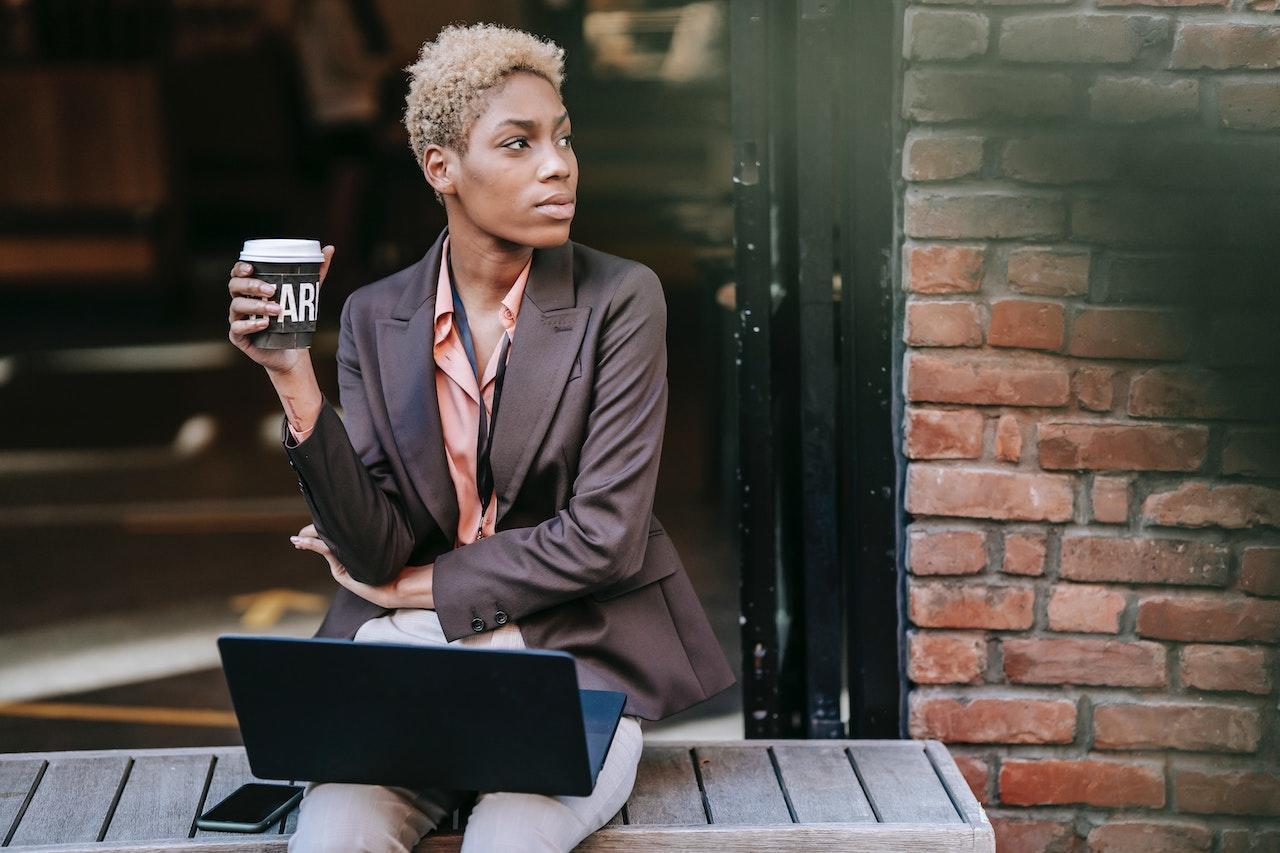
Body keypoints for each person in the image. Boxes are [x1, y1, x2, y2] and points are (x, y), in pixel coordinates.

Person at [225, 21, 735, 853]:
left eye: (563, 139)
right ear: (442, 169)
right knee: (331, 834)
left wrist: (414, 589)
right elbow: (376, 546)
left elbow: (605, 538)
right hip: (417, 659)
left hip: (573, 654)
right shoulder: (373, 317)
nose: (558, 164)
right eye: (518, 143)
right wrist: (293, 379)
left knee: (510, 837)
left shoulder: (621, 299)